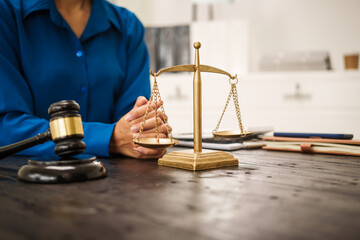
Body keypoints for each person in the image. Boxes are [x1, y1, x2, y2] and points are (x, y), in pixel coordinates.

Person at [0, 0, 169, 159]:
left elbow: (135, 124)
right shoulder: (7, 14)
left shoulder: (128, 27)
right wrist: (110, 139)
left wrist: (147, 132)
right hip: (23, 182)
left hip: (113, 183)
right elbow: (7, 127)